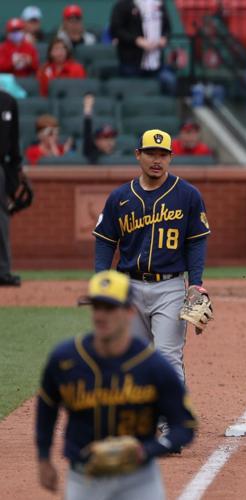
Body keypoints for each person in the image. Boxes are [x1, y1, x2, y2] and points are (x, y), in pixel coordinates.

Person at [35, 270, 197, 498]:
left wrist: (146, 450)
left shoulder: (153, 366)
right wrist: (43, 458)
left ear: (130, 311)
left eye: (110, 308)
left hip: (139, 480)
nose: (101, 315)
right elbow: (46, 408)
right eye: (97, 306)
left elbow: (185, 425)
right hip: (84, 480)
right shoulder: (66, 360)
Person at [93, 129, 212, 385]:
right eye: (151, 153)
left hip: (170, 287)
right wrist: (102, 280)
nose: (157, 160)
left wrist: (195, 283)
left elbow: (196, 242)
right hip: (129, 287)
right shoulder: (120, 197)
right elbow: (105, 241)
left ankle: (174, 422)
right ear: (138, 155)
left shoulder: (188, 195)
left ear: (171, 157)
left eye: (163, 154)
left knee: (167, 357)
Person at [110, 0, 175, 95]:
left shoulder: (159, 3)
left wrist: (164, 38)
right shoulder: (123, 4)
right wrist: (136, 40)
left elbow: (167, 28)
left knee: (169, 81)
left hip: (156, 62)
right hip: (131, 62)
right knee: (134, 94)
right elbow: (116, 30)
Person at [0, 90, 22, 286]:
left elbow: (13, 140)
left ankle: (2, 271)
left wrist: (15, 172)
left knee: (1, 219)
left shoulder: (7, 101)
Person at [82, 94, 118, 164]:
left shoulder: (120, 156)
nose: (109, 141)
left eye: (112, 137)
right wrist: (87, 111)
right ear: (96, 142)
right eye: (105, 137)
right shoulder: (93, 155)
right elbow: (87, 139)